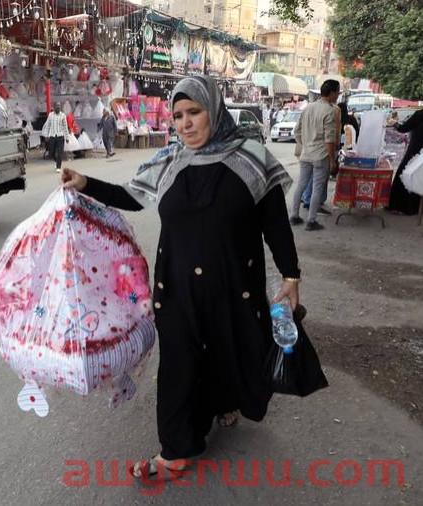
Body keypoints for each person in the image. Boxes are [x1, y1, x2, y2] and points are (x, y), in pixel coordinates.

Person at [61, 76, 314, 478]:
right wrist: (86, 183)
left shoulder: (251, 158)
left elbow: (275, 225)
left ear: (213, 110)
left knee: (228, 351)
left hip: (234, 287)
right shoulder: (170, 160)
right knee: (179, 366)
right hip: (177, 289)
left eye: (193, 112)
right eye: (178, 116)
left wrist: (291, 276)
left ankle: (223, 402)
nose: (185, 123)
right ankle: (176, 450)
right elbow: (132, 196)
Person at [289, 79, 341, 231]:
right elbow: (329, 139)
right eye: (337, 92)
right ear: (331, 93)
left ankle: (294, 216)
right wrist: (332, 160)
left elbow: (297, 131)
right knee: (317, 188)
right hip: (321, 155)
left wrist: (306, 143)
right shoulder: (329, 110)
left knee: (301, 185)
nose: (338, 95)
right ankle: (311, 221)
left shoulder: (308, 108)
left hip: (306, 154)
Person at [387, 109, 423, 215]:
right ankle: (417, 207)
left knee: (405, 176)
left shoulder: (419, 114)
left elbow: (403, 128)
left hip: (415, 151)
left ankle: (402, 206)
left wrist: (394, 123)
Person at [41, 103, 69, 173]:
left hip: (60, 136)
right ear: (54, 107)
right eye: (57, 106)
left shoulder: (63, 115)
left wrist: (67, 137)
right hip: (52, 136)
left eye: (59, 106)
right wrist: (46, 135)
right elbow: (48, 126)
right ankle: (57, 162)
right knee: (51, 153)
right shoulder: (50, 115)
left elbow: (65, 127)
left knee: (60, 152)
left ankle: (58, 167)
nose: (58, 108)